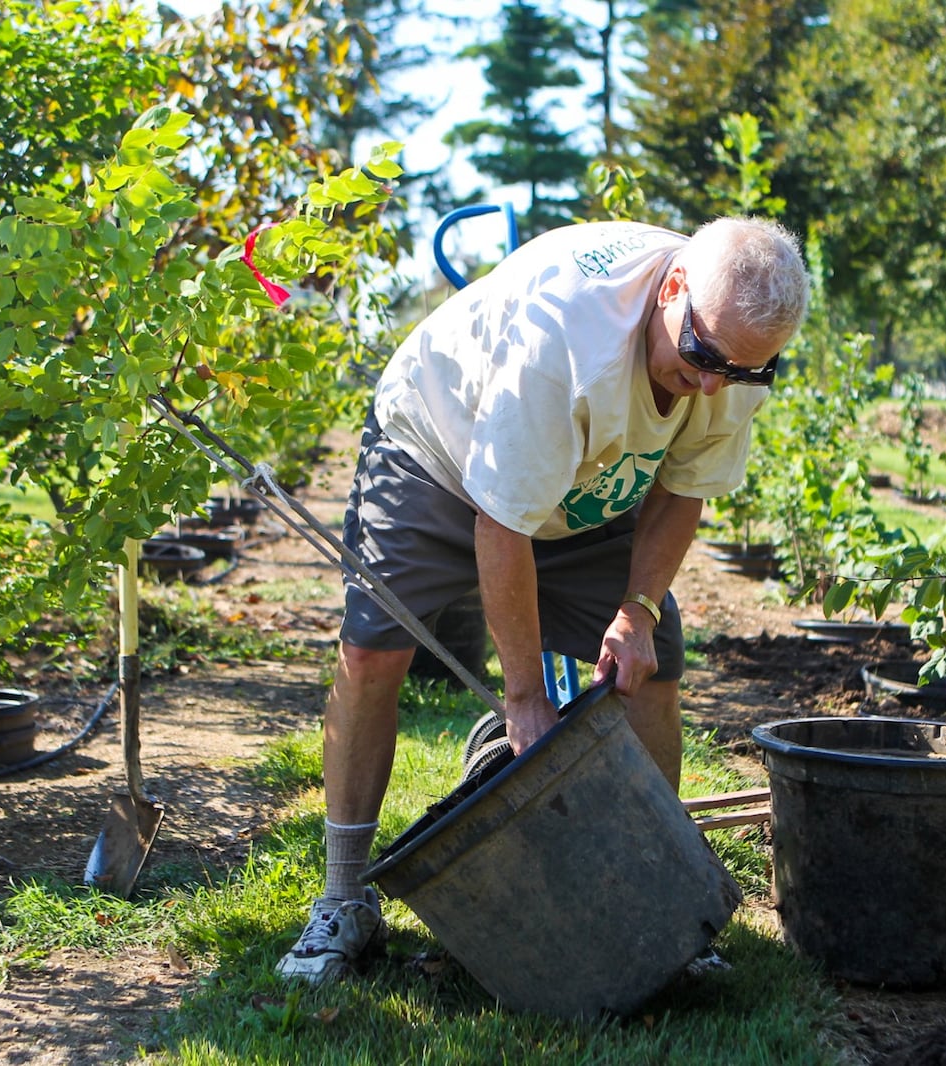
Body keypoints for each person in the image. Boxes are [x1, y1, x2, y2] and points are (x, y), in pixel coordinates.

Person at [276, 216, 810, 984]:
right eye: (701, 358)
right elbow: (501, 524)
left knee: (649, 673)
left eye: (743, 371)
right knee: (371, 650)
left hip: (584, 479)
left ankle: (658, 904)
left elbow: (682, 490)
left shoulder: (727, 346)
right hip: (437, 447)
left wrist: (638, 609)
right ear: (672, 289)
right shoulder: (566, 338)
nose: (712, 385)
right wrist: (523, 697)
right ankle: (343, 901)